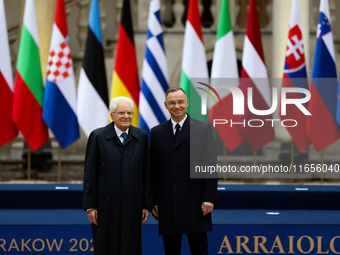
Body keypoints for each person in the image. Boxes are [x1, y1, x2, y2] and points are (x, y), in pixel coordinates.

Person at [150, 87, 218, 255]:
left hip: (196, 202)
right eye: (172, 103)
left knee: (199, 250)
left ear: (187, 103)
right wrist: (154, 202)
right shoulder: (157, 132)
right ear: (166, 105)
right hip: (167, 203)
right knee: (171, 250)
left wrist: (208, 198)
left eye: (180, 102)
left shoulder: (203, 129)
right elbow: (153, 170)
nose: (177, 106)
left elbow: (210, 166)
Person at [83, 96, 153, 255]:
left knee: (131, 247)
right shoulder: (98, 136)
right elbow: (90, 173)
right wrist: (90, 205)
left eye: (129, 112)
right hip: (105, 205)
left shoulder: (141, 136)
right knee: (106, 247)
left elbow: (146, 172)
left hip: (133, 206)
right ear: (112, 115)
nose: (126, 116)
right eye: (121, 112)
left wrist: (146, 204)